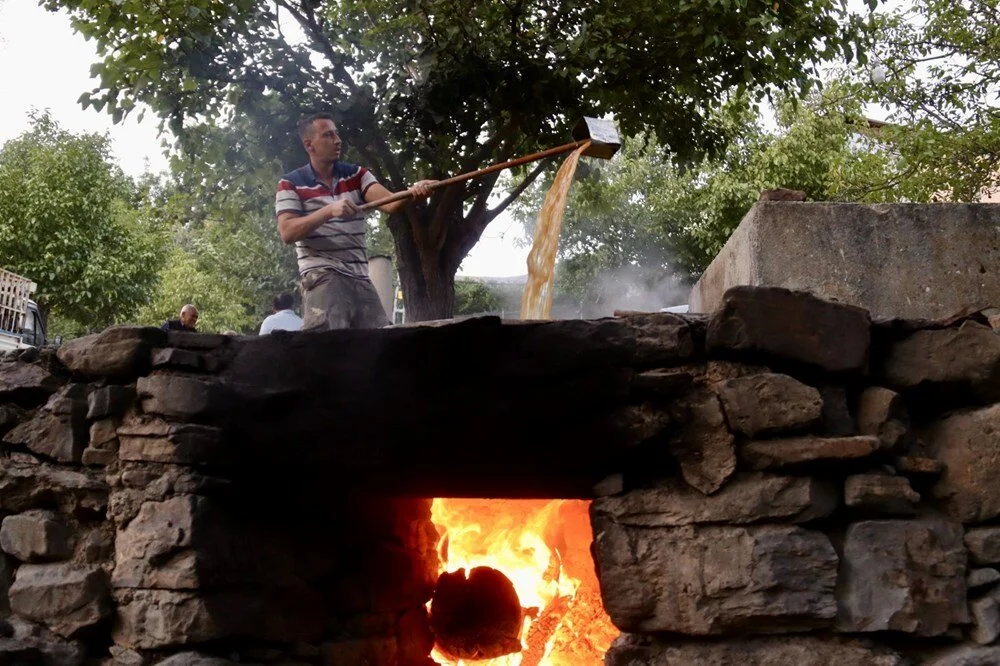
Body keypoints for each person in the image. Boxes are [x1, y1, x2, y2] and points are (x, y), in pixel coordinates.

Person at [275, 113, 436, 331]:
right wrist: (329, 211)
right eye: (328, 135)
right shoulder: (290, 183)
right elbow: (288, 232)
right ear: (309, 144)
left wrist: (413, 192)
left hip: (360, 276)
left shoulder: (357, 174)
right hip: (324, 273)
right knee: (326, 346)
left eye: (337, 134)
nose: (337, 140)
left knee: (381, 344)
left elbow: (390, 204)